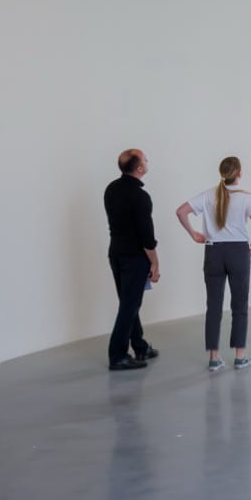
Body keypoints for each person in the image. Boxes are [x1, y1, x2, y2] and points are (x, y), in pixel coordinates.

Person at [176, 155, 251, 372]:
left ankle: (214, 360)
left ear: (222, 174)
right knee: (239, 306)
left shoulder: (209, 195)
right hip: (238, 253)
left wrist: (193, 233)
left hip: (213, 252)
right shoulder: (248, 198)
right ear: (239, 174)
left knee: (213, 307)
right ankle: (240, 357)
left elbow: (181, 211)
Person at [104, 148, 161, 371]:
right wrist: (155, 262)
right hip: (134, 258)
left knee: (129, 303)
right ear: (139, 168)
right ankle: (117, 355)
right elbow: (146, 236)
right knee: (130, 305)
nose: (147, 161)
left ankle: (140, 346)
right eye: (145, 159)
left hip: (115, 253)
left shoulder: (111, 189)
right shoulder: (140, 196)